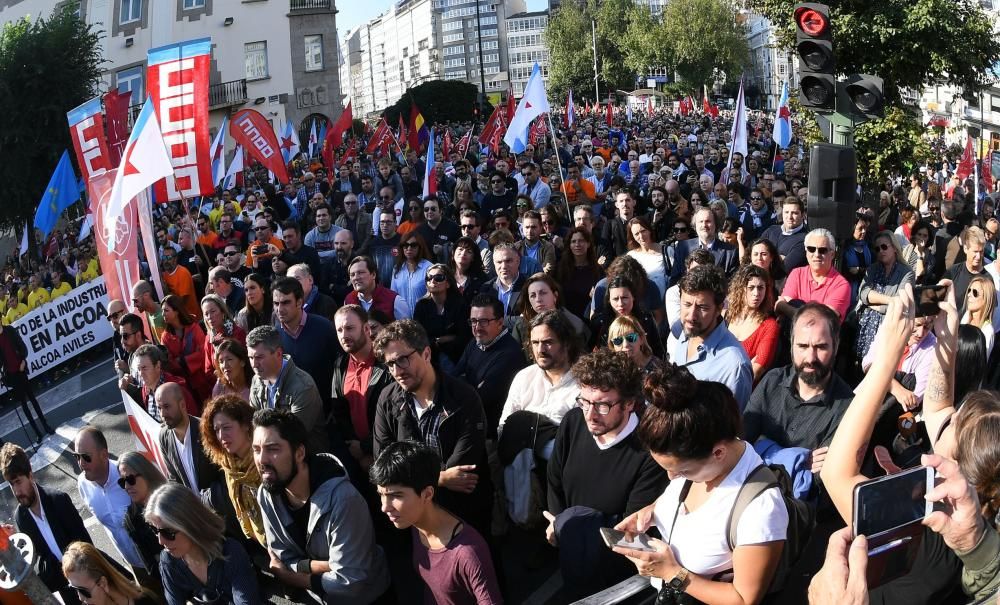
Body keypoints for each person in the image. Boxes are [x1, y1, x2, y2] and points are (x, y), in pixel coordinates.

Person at [612, 362, 787, 605]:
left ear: (718, 453)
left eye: (682, 470)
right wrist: (649, 513)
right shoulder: (701, 463)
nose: (673, 479)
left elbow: (744, 600)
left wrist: (673, 573)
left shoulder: (761, 509)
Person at [545, 348, 669, 599]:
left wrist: (565, 525)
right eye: (585, 401)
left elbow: (630, 533)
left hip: (616, 581)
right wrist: (559, 522)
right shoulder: (573, 422)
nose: (590, 415)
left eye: (602, 405)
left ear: (629, 404)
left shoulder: (649, 453)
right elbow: (554, 479)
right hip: (571, 557)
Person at [253, 408, 390, 604]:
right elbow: (281, 557)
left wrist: (290, 576)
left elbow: (350, 582)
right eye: (257, 450)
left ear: (299, 453)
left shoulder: (344, 500)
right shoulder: (267, 494)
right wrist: (324, 566)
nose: (262, 460)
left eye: (273, 449)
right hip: (320, 597)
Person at [372, 319, 493, 535]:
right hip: (413, 521)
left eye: (402, 360)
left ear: (426, 354)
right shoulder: (388, 399)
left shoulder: (464, 398)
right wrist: (442, 478)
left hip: (461, 517)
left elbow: (463, 470)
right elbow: (384, 463)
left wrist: (409, 481)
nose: (396, 371)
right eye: (390, 364)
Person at [370, 441, 503, 604]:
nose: (384, 507)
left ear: (427, 494)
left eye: (396, 496)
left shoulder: (468, 554)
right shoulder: (414, 523)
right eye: (381, 494)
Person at [743, 302, 856, 477]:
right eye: (802, 346)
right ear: (791, 344)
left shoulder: (847, 408)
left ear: (836, 346)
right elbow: (741, 444)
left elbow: (817, 480)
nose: (810, 358)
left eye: (821, 347)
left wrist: (762, 446)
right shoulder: (772, 381)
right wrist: (798, 459)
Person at [1, 442, 92, 603]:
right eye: (11, 484)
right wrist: (17, 546)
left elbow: (87, 548)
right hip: (68, 595)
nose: (16, 492)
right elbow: (39, 568)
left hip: (89, 584)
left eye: (18, 482)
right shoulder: (21, 518)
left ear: (30, 475)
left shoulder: (59, 501)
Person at [145, 483, 260, 605]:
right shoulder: (168, 561)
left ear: (191, 524)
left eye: (167, 532)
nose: (160, 541)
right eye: (155, 531)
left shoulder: (231, 551)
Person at [671, 264, 754, 410]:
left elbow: (732, 426)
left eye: (702, 308)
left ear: (719, 309)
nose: (691, 316)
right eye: (687, 304)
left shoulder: (734, 366)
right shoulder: (687, 332)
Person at [73, 427, 147, 577]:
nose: (81, 463)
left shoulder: (126, 476)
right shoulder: (83, 484)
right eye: (77, 456)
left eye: (86, 457)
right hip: (134, 564)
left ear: (104, 455)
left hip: (155, 555)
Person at [246, 324, 330, 454]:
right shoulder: (256, 381)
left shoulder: (303, 386)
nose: (254, 364)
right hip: (271, 454)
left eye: (259, 357)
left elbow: (294, 436)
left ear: (278, 353)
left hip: (306, 459)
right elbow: (255, 425)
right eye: (251, 358)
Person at [331, 305, 395, 473]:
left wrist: (366, 448)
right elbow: (339, 411)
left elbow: (394, 417)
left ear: (366, 328)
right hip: (354, 460)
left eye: (349, 328)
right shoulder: (340, 365)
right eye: (339, 330)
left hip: (387, 458)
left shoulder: (388, 365)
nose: (344, 335)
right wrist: (354, 448)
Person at [200, 395, 267, 547]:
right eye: (217, 430)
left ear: (245, 425)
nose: (221, 436)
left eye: (227, 427)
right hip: (260, 545)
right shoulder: (229, 467)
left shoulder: (266, 456)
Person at [271, 276, 341, 405]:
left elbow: (340, 368)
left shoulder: (324, 328)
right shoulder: (274, 336)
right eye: (276, 303)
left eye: (286, 302)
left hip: (326, 409)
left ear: (299, 302)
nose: (279, 309)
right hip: (290, 410)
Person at [855, 231, 915, 360]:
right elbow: (863, 293)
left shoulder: (906, 272)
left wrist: (873, 305)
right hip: (865, 327)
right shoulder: (872, 269)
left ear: (894, 248)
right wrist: (890, 300)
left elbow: (901, 304)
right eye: (877, 249)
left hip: (890, 328)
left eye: (884, 247)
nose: (881, 251)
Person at [155, 382, 223, 493]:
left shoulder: (206, 430)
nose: (162, 414)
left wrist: (207, 501)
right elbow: (174, 480)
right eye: (159, 408)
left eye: (167, 407)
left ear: (182, 405)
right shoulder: (164, 437)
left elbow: (223, 473)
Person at [117, 451, 167, 592]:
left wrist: (160, 557)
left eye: (130, 479)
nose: (126, 486)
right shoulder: (131, 519)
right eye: (122, 482)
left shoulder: (172, 497)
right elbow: (152, 568)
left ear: (146, 474)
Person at [777, 229, 852, 322]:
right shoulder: (797, 274)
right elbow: (783, 305)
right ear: (806, 252)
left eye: (822, 250)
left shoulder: (841, 285)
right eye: (811, 249)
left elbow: (823, 321)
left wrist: (785, 308)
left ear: (832, 254)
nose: (816, 254)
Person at [725, 265, 780, 385]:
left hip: (743, 391)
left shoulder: (769, 326)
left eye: (761, 288)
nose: (756, 293)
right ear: (740, 289)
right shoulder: (725, 317)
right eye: (751, 288)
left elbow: (756, 371)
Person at [0, 319, 52, 442]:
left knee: (32, 399)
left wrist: (23, 361)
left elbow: (22, 346)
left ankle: (45, 425)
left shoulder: (10, 330)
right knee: (24, 405)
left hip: (21, 369)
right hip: (11, 375)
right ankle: (37, 432)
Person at [412, 263, 470, 373]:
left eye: (438, 278)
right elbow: (418, 335)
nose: (432, 281)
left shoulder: (460, 305)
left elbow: (464, 336)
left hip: (455, 356)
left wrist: (442, 340)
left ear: (448, 283)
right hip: (429, 356)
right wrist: (441, 339)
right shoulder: (421, 305)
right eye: (429, 278)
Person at [61, 542, 160, 605]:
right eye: (73, 589)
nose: (80, 598)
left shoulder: (145, 601)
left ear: (103, 583)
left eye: (82, 590)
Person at [160, 294, 213, 403]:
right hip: (183, 385)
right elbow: (168, 361)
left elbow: (203, 352)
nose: (163, 314)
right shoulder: (165, 337)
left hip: (203, 380)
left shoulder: (194, 328)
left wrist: (183, 361)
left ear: (176, 311)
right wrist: (180, 363)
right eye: (162, 311)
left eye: (166, 310)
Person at [669, 206, 740, 285]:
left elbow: (733, 284)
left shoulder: (730, 251)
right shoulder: (682, 247)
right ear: (695, 225)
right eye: (701, 221)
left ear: (715, 224)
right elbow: (675, 279)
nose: (704, 225)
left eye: (708, 221)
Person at [557, 227, 603, 320]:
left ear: (588, 244)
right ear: (569, 245)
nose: (577, 244)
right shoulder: (560, 269)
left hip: (589, 318)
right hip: (567, 318)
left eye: (581, 241)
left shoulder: (597, 270)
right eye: (573, 241)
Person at [346, 255, 412, 320]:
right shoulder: (349, 300)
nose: (356, 278)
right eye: (352, 275)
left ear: (373, 275)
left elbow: (406, 329)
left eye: (361, 273)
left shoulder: (395, 300)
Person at [761, 196, 809, 274]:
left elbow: (783, 269)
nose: (789, 217)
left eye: (794, 213)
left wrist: (766, 256)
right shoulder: (771, 230)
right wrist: (779, 258)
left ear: (803, 215)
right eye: (786, 212)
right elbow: (752, 253)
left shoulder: (805, 239)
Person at [391, 232, 434, 316]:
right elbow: (393, 296)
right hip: (402, 320)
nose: (409, 248)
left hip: (424, 319)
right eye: (405, 245)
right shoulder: (397, 269)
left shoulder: (429, 268)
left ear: (420, 247)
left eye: (413, 245)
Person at [480, 242, 527, 318]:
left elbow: (527, 320)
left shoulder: (528, 287)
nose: (504, 266)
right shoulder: (486, 288)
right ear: (494, 264)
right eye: (499, 262)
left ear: (518, 261)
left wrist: (497, 321)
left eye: (508, 261)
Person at [947, 226, 989, 311]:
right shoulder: (953, 271)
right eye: (975, 251)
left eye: (981, 252)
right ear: (966, 249)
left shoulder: (987, 279)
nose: (978, 256)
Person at [626, 216, 668, 299]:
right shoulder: (631, 256)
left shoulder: (666, 251)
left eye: (643, 231)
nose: (641, 237)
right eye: (637, 234)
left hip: (663, 299)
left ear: (649, 230)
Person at [160, 248, 201, 320]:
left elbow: (180, 302)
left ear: (175, 259)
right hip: (178, 318)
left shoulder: (183, 273)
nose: (166, 261)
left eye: (169, 258)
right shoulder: (164, 275)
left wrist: (166, 292)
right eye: (164, 258)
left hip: (191, 317)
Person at [962, 274, 997, 357]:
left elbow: (981, 364)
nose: (969, 294)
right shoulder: (966, 316)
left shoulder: (988, 331)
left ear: (986, 299)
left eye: (975, 292)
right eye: (969, 290)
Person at [449, 236, 488, 306]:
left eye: (469, 251)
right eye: (460, 249)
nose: (463, 253)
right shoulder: (446, 275)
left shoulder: (481, 279)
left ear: (473, 257)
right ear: (453, 253)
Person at [515, 211, 557, 275]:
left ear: (540, 228)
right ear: (522, 228)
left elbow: (548, 271)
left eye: (533, 227)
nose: (530, 231)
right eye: (527, 227)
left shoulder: (548, 247)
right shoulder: (515, 247)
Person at [131, 280, 166, 344]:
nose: (134, 305)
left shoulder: (164, 315)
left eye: (136, 301)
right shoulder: (149, 315)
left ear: (146, 295)